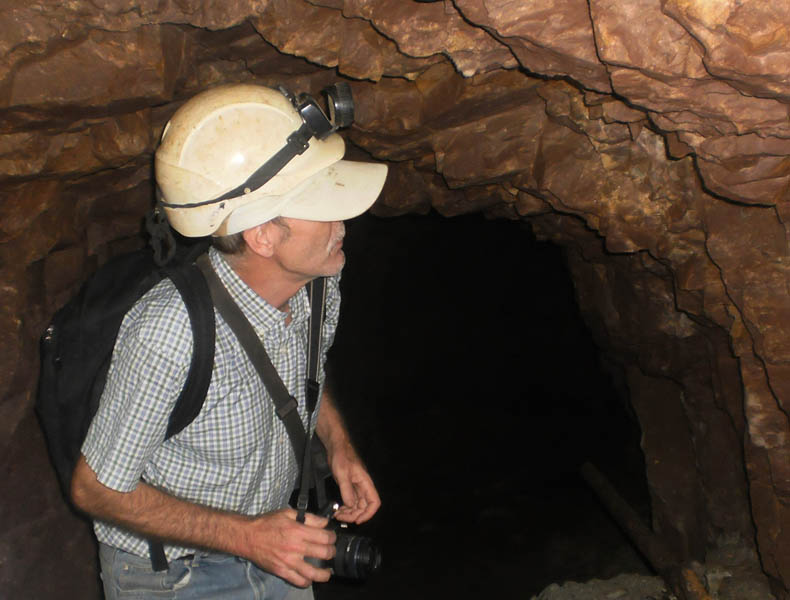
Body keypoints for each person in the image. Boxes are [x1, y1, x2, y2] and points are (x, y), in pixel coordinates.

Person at [70, 83, 387, 599]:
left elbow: (305, 372)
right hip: (175, 575)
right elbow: (95, 488)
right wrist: (248, 538)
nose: (343, 221)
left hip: (278, 543)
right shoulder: (170, 331)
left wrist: (339, 446)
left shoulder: (318, 285)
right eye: (322, 205)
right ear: (262, 236)